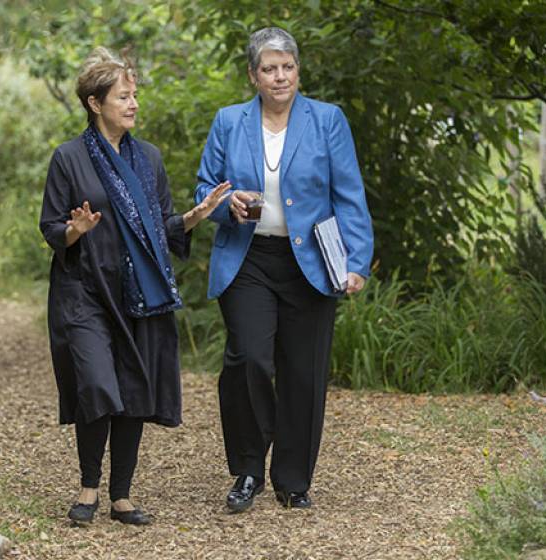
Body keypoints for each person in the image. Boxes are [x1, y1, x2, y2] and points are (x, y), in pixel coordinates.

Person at [39, 46, 230, 526]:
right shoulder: (68, 158)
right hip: (83, 290)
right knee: (98, 384)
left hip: (137, 293)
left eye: (135, 95)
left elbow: (162, 224)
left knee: (130, 389)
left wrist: (190, 218)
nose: (133, 103)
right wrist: (76, 231)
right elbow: (51, 226)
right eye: (123, 96)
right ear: (94, 103)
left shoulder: (150, 159)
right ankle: (88, 486)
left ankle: (121, 495)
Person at [194, 27, 373, 512]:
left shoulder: (327, 120)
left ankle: (293, 480)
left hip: (311, 262)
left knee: (304, 373)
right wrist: (227, 202)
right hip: (247, 259)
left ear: (298, 70)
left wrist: (356, 263)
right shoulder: (229, 122)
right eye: (269, 68)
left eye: (287, 67)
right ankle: (249, 469)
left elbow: (348, 194)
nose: (280, 77)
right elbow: (204, 188)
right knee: (248, 359)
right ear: (254, 75)